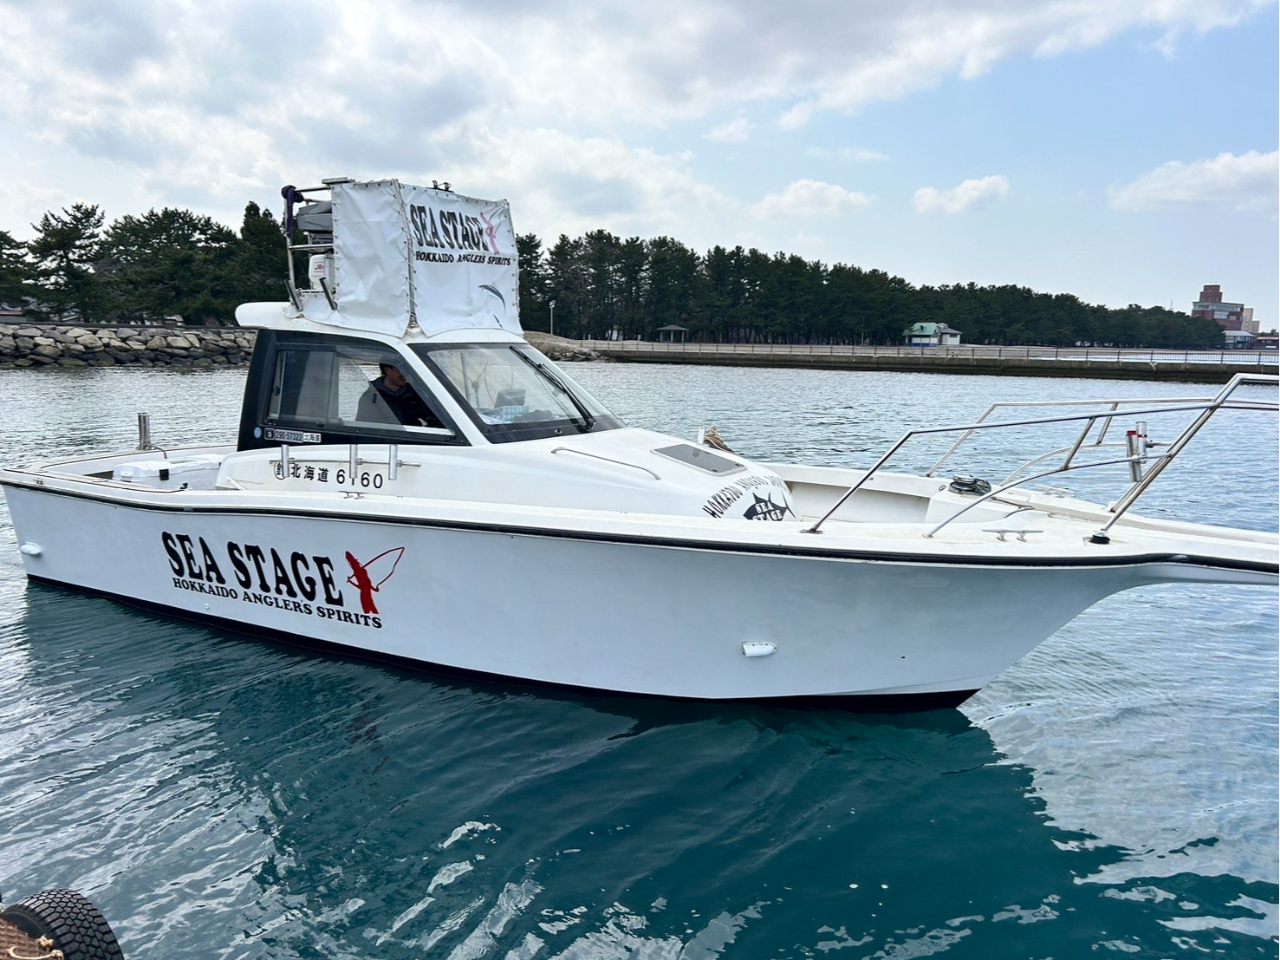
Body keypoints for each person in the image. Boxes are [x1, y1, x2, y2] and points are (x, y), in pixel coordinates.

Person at [358, 363, 441, 427]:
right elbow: (364, 428)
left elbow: (433, 417)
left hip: (415, 443)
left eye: (408, 369)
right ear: (387, 370)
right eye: (402, 369)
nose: (406, 373)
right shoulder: (371, 397)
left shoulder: (415, 393)